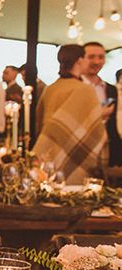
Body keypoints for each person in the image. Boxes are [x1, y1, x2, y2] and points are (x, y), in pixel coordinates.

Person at [34, 44, 107, 184]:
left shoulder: (50, 89)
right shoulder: (85, 90)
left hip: (49, 152)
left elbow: (40, 121)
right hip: (75, 152)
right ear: (80, 60)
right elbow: (95, 128)